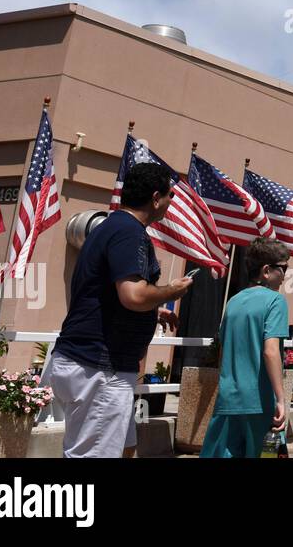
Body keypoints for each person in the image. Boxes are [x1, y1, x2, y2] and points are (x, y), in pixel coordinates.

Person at [43, 162, 194, 458]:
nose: (170, 203)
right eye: (169, 196)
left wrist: (154, 311)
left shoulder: (111, 227)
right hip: (100, 366)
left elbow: (112, 294)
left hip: (95, 363)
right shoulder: (129, 232)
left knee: (125, 446)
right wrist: (171, 292)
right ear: (155, 197)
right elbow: (133, 295)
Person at [201, 237, 290, 457]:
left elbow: (223, 352)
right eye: (283, 268)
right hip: (259, 400)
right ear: (267, 271)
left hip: (228, 398)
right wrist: (281, 398)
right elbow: (270, 350)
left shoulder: (233, 302)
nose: (285, 274)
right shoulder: (275, 301)